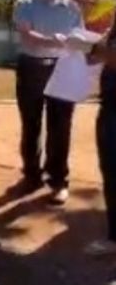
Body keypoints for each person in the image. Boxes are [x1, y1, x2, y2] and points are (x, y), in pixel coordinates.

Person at [13, 0, 84, 205]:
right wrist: (54, 40)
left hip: (62, 68)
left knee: (60, 127)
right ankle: (31, 176)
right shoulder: (25, 3)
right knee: (31, 125)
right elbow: (26, 34)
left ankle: (58, 181)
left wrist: (78, 43)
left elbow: (78, 38)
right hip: (31, 67)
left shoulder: (73, 8)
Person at [67, 18, 116, 255]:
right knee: (110, 171)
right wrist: (89, 44)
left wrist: (87, 46)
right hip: (110, 108)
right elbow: (94, 58)